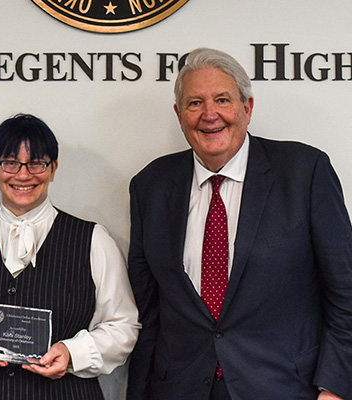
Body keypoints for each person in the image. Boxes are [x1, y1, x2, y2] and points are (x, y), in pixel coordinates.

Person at [126, 47, 352, 400]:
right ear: (179, 114)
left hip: (285, 389)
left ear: (247, 108)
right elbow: (147, 311)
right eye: (195, 103)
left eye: (222, 100)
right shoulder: (150, 186)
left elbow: (345, 293)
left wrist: (335, 388)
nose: (209, 115)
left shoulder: (304, 172)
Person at [0, 113, 140, 399]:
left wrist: (71, 353)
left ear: (53, 169)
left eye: (36, 163)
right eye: (10, 162)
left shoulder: (94, 241)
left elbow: (123, 326)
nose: (23, 174)